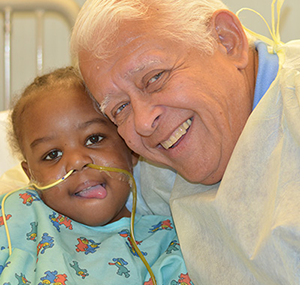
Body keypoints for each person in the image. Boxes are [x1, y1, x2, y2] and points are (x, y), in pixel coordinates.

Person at [70, 0, 300, 284]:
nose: (142, 123)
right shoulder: (155, 174)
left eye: (155, 78)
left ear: (227, 41)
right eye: (120, 109)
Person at [0, 67, 192, 285]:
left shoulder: (168, 242)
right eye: (52, 154)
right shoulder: (14, 213)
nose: (77, 162)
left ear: (131, 149)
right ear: (30, 174)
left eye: (94, 139)